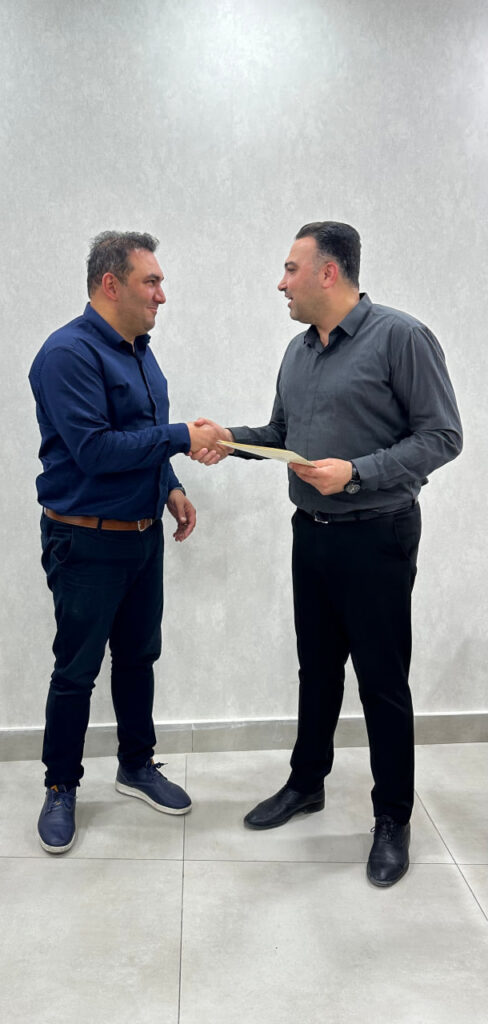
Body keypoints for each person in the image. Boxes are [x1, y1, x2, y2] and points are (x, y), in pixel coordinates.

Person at [192, 221, 462, 887]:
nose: (280, 283)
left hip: (378, 536)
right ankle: (306, 782)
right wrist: (231, 438)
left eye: (291, 269)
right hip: (310, 532)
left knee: (382, 682)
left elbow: (442, 435)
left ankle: (392, 818)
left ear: (329, 272)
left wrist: (358, 472)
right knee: (316, 668)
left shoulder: (401, 337)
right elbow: (282, 432)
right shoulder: (297, 352)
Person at [29, 231, 221, 853]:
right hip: (85, 542)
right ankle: (61, 786)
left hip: (142, 538)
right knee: (76, 671)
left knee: (139, 657)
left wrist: (171, 488)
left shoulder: (141, 352)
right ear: (111, 285)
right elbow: (94, 450)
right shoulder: (67, 354)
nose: (162, 295)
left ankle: (136, 765)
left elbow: (140, 437)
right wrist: (180, 437)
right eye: (151, 282)